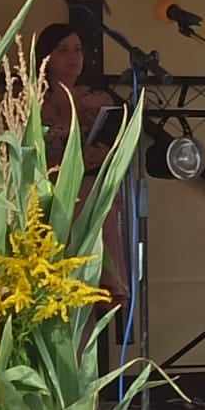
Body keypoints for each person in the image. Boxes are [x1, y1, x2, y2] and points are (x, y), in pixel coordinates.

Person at [36, 22, 128, 297]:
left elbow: (115, 141)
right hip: (50, 188)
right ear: (47, 56)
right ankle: (100, 285)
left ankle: (108, 286)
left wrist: (102, 152)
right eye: (63, 50)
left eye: (77, 49)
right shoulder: (34, 99)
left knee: (101, 195)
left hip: (90, 183)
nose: (73, 57)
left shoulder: (96, 99)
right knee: (87, 196)